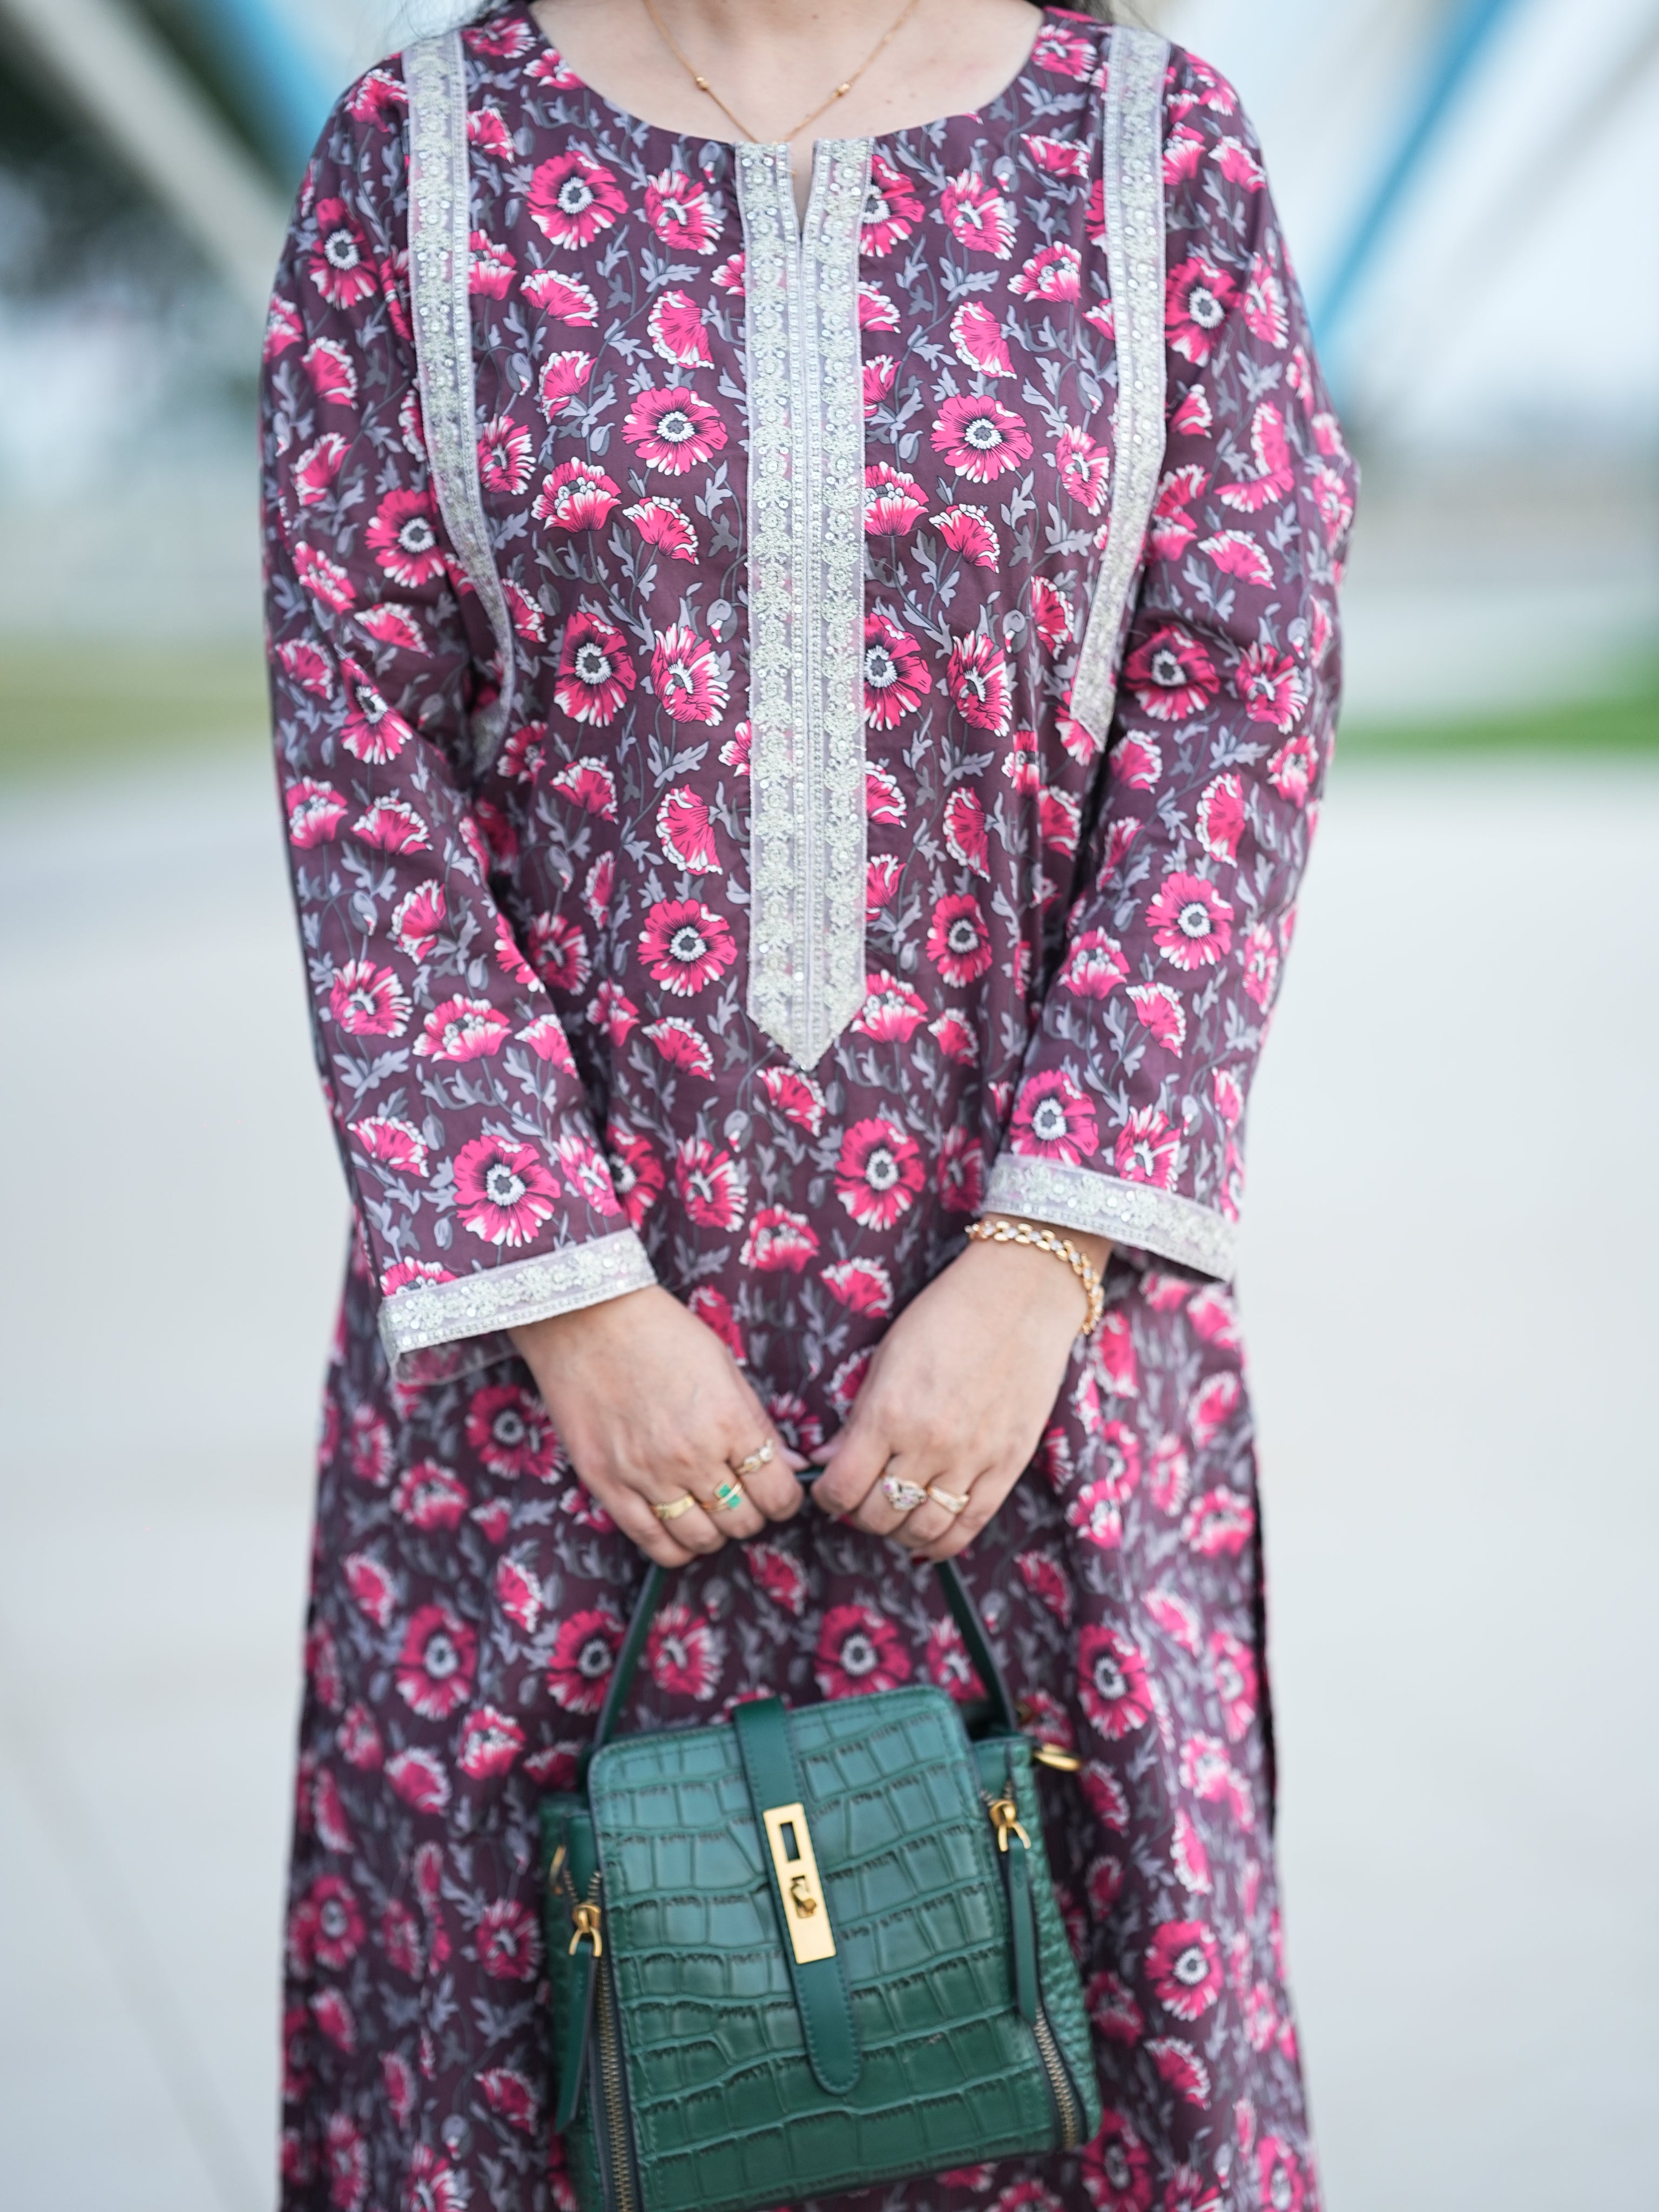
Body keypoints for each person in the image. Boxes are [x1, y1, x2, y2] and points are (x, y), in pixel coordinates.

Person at [261, 0, 1356, 2204]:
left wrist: (1047, 1256)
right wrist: (570, 1306)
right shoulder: (419, 154)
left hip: (1030, 1384)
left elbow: (1235, 712)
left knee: (1074, 2048)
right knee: (545, 2071)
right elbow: (358, 749)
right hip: (547, 1414)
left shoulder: (1151, 153)